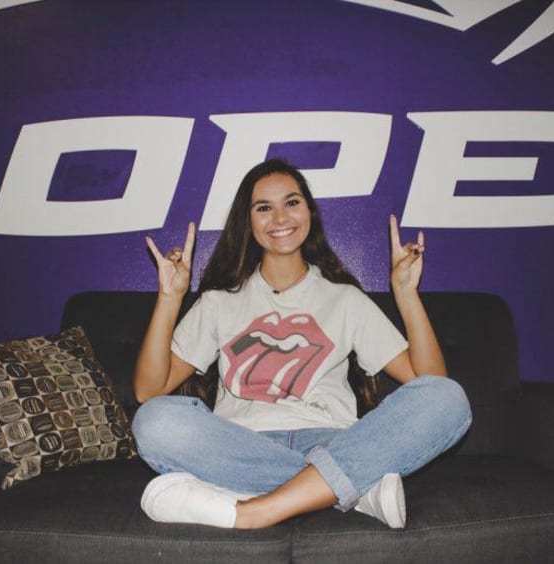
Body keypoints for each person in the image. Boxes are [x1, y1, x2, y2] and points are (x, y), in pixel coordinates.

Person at [131, 158, 471, 529]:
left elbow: (431, 381)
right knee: (154, 421)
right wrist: (169, 297)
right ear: (248, 222)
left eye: (291, 202)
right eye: (264, 207)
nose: (280, 217)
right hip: (240, 446)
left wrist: (406, 293)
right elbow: (149, 391)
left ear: (309, 211)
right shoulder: (218, 302)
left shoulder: (345, 300)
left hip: (332, 441)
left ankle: (255, 510)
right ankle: (350, 490)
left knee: (449, 399)